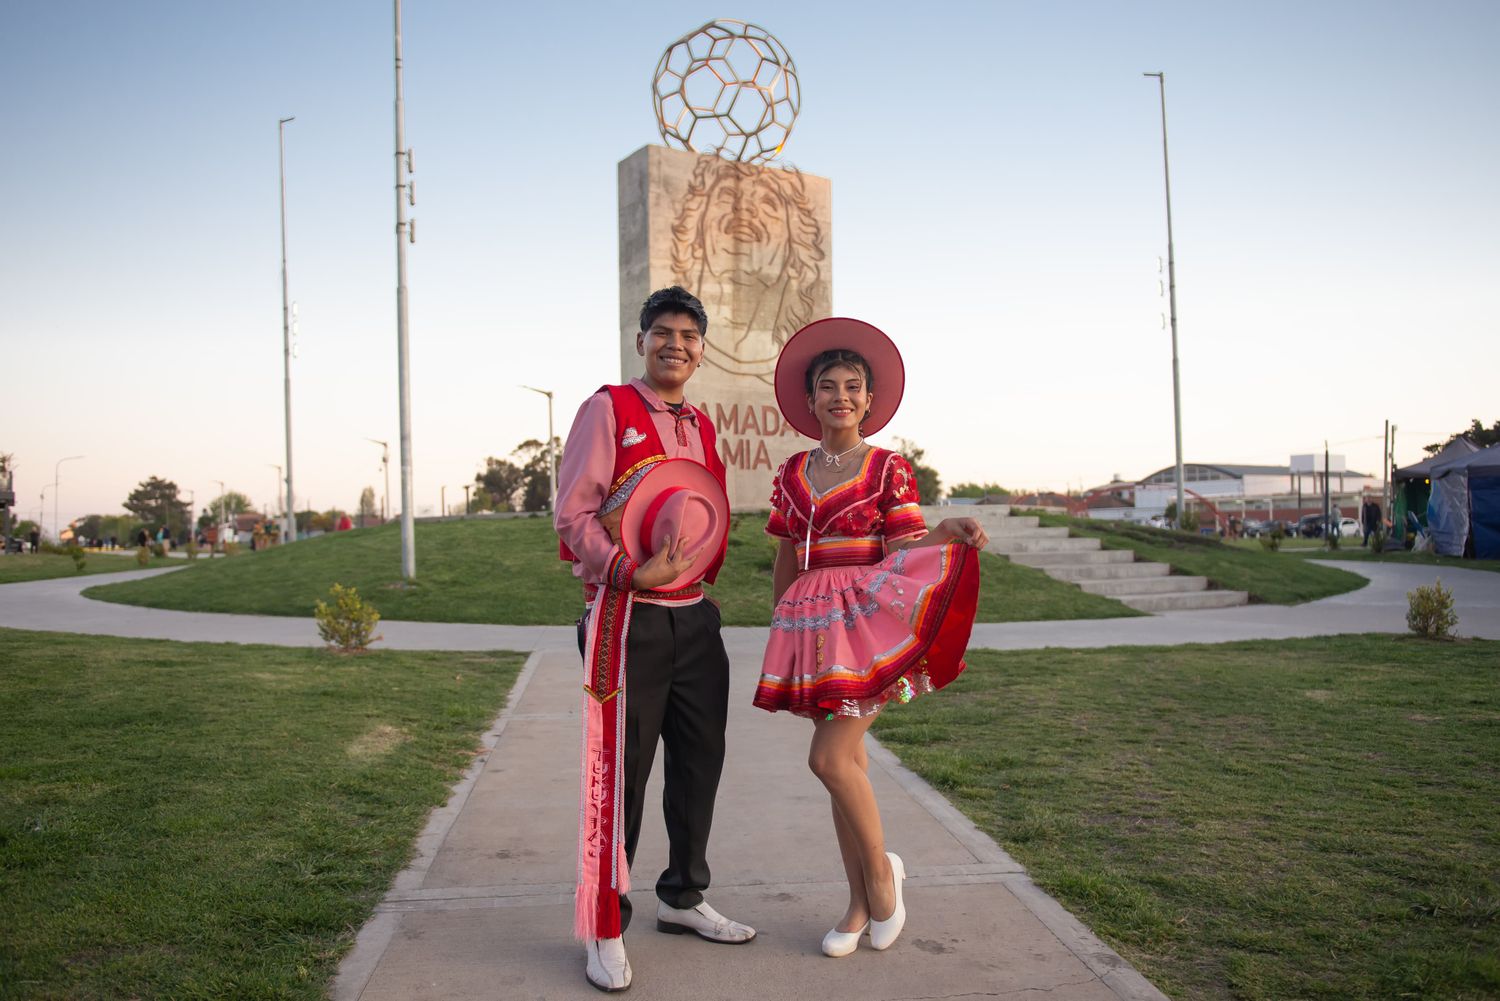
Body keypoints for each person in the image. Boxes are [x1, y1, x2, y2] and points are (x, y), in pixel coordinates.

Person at [754, 317, 987, 958]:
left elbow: (905, 547)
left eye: (853, 386)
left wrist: (944, 532)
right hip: (811, 627)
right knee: (845, 769)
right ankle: (856, 904)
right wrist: (783, 622)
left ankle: (884, 882)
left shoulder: (888, 469)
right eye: (827, 386)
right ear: (808, 400)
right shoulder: (793, 472)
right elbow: (784, 556)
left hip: (865, 626)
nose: (840, 396)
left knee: (828, 759)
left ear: (869, 398)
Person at [554, 286, 755, 993]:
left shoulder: (700, 423)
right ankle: (604, 923)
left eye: (689, 335)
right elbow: (573, 512)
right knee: (621, 774)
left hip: (695, 613)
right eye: (663, 331)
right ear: (641, 339)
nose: (676, 343)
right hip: (626, 614)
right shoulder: (608, 407)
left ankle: (682, 895)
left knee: (700, 760)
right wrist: (626, 569)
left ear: (701, 349)